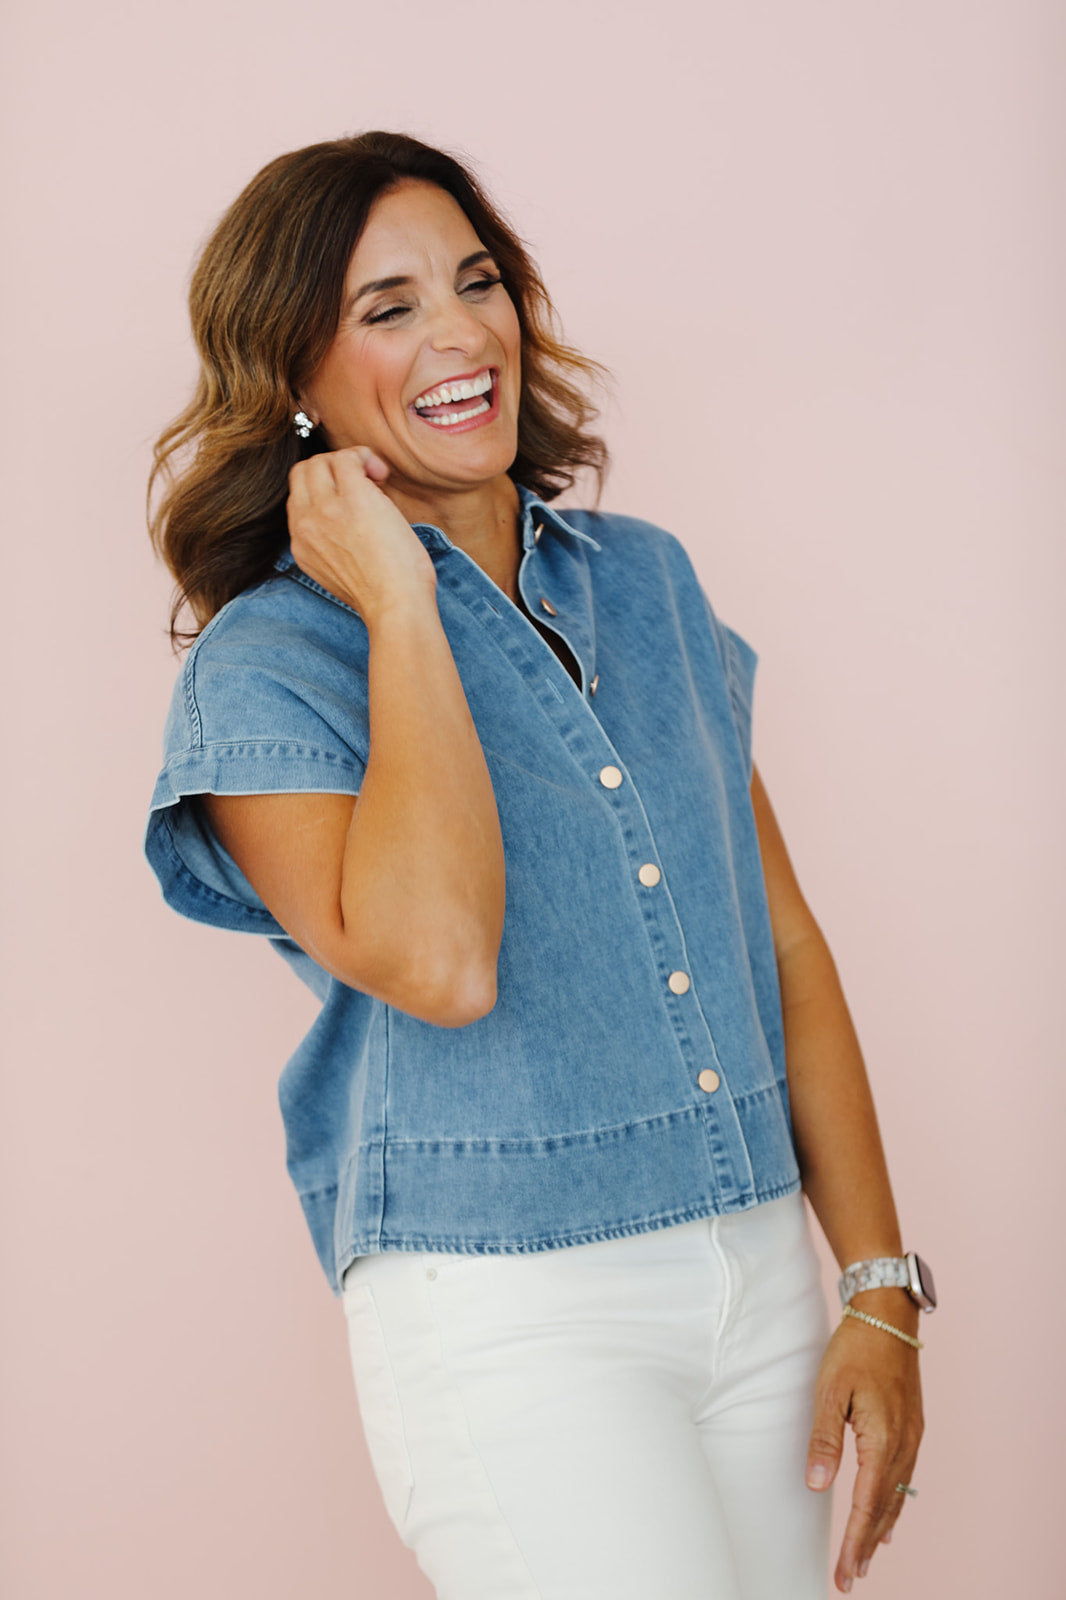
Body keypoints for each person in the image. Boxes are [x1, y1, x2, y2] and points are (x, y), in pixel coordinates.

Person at [145, 131, 929, 1600]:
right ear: (292, 384)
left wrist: (876, 1288)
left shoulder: (642, 581)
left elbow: (781, 943)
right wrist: (398, 598)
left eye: (476, 281)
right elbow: (439, 959)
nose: (459, 335)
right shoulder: (271, 668)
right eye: (384, 310)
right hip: (513, 1311)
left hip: (760, 1272)